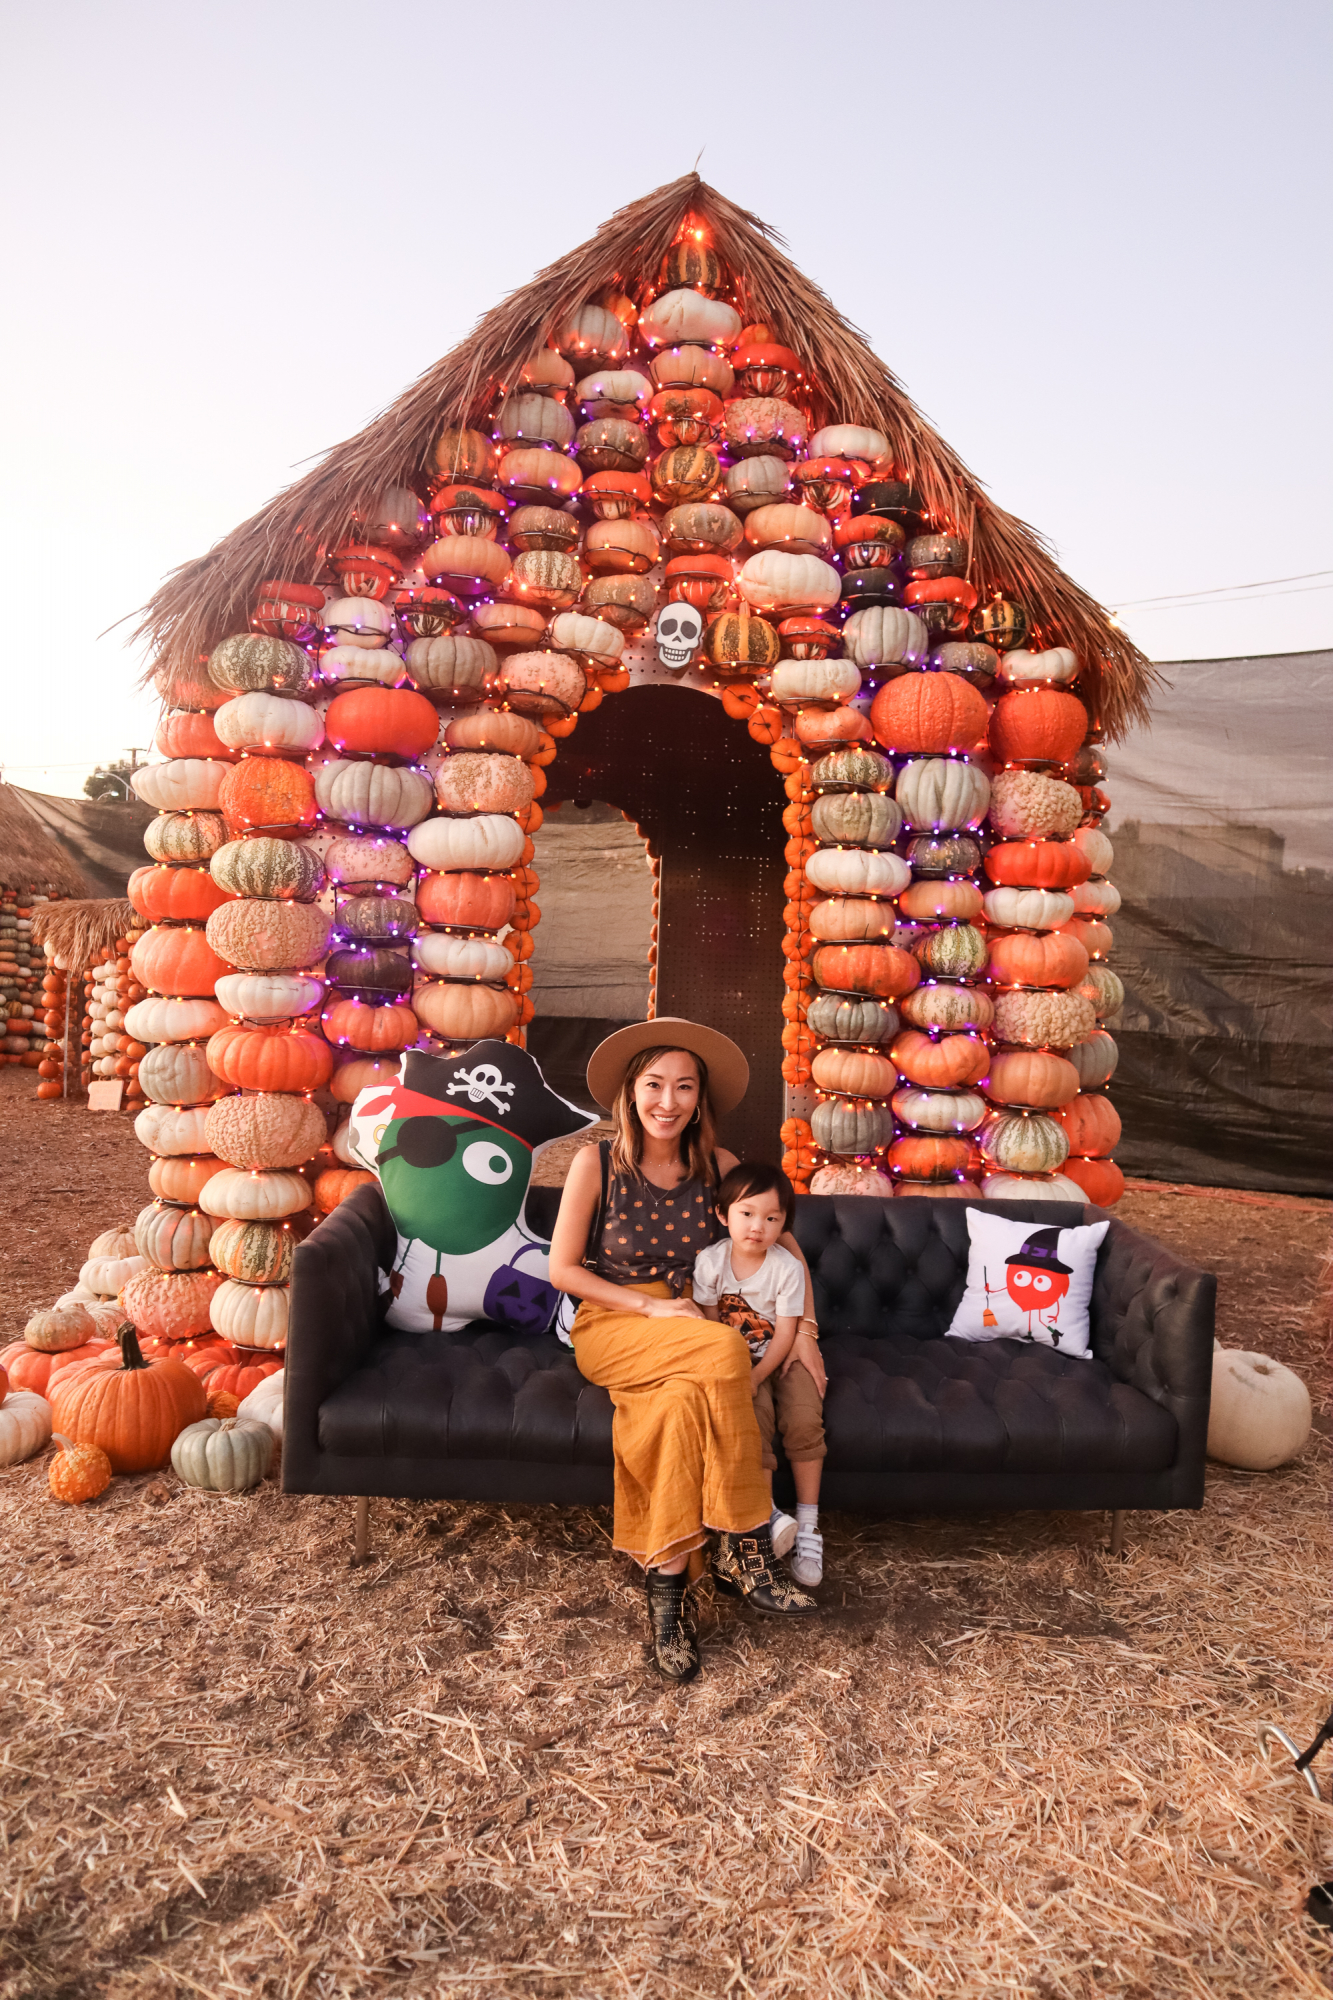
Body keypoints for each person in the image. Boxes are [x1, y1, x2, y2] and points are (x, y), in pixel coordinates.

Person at [548, 1020, 825, 1683]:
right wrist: (650, 1306)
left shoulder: (719, 1168)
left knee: (673, 1411)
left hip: (690, 1328)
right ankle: (746, 1540)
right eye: (653, 1085)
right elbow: (561, 1270)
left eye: (682, 1087)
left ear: (699, 1098)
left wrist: (806, 1331)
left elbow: (785, 1248)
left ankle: (666, 1597)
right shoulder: (597, 1161)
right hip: (616, 1321)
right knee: (724, 1353)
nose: (666, 1102)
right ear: (629, 1092)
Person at [692, 1162, 826, 1588]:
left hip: (780, 1359)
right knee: (754, 1426)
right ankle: (765, 1520)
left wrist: (762, 1371)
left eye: (772, 1218)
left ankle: (807, 1526)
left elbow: (786, 1332)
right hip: (737, 1365)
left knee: (805, 1421)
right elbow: (713, 1325)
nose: (758, 1227)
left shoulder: (785, 1267)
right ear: (722, 1214)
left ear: (784, 1223)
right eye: (747, 1214)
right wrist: (742, 1374)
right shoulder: (710, 1263)